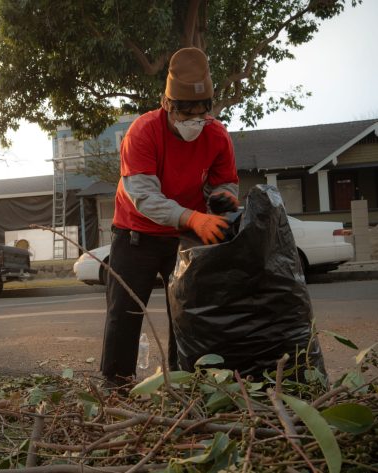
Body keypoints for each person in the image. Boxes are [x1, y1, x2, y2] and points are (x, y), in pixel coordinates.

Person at [101, 47, 239, 387]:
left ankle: (182, 380)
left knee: (186, 312)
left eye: (201, 114)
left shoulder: (216, 134)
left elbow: (225, 181)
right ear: (167, 105)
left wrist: (224, 197)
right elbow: (144, 196)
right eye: (185, 114)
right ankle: (116, 382)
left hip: (183, 235)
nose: (194, 122)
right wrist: (193, 219)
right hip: (136, 234)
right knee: (125, 311)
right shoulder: (142, 132)